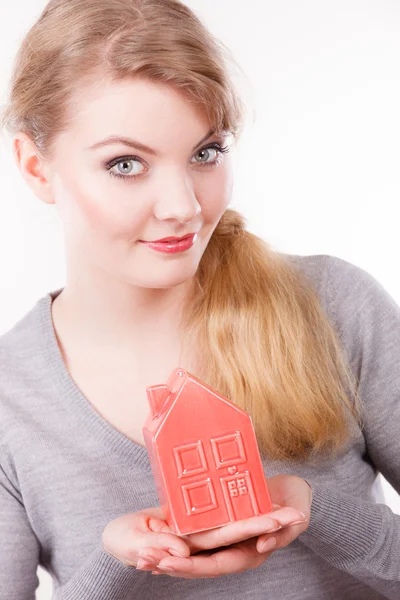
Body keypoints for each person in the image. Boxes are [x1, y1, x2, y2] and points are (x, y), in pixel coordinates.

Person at [0, 0, 399, 598]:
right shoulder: (11, 399)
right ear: (36, 168)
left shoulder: (335, 308)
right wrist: (118, 566)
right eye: (126, 163)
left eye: (205, 153)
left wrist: (318, 512)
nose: (184, 206)